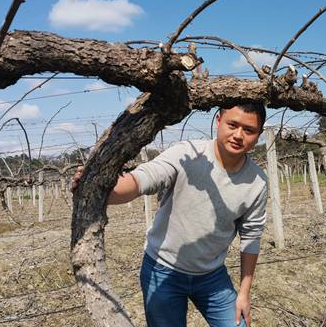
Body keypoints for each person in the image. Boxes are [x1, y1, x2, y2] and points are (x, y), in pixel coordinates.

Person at [72, 103, 268, 327]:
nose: (238, 135)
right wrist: (98, 187)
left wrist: (244, 293)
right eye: (232, 125)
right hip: (162, 270)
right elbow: (142, 180)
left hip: (212, 276)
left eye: (249, 130)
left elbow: (251, 238)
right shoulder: (188, 154)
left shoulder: (257, 181)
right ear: (218, 121)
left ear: (259, 135)